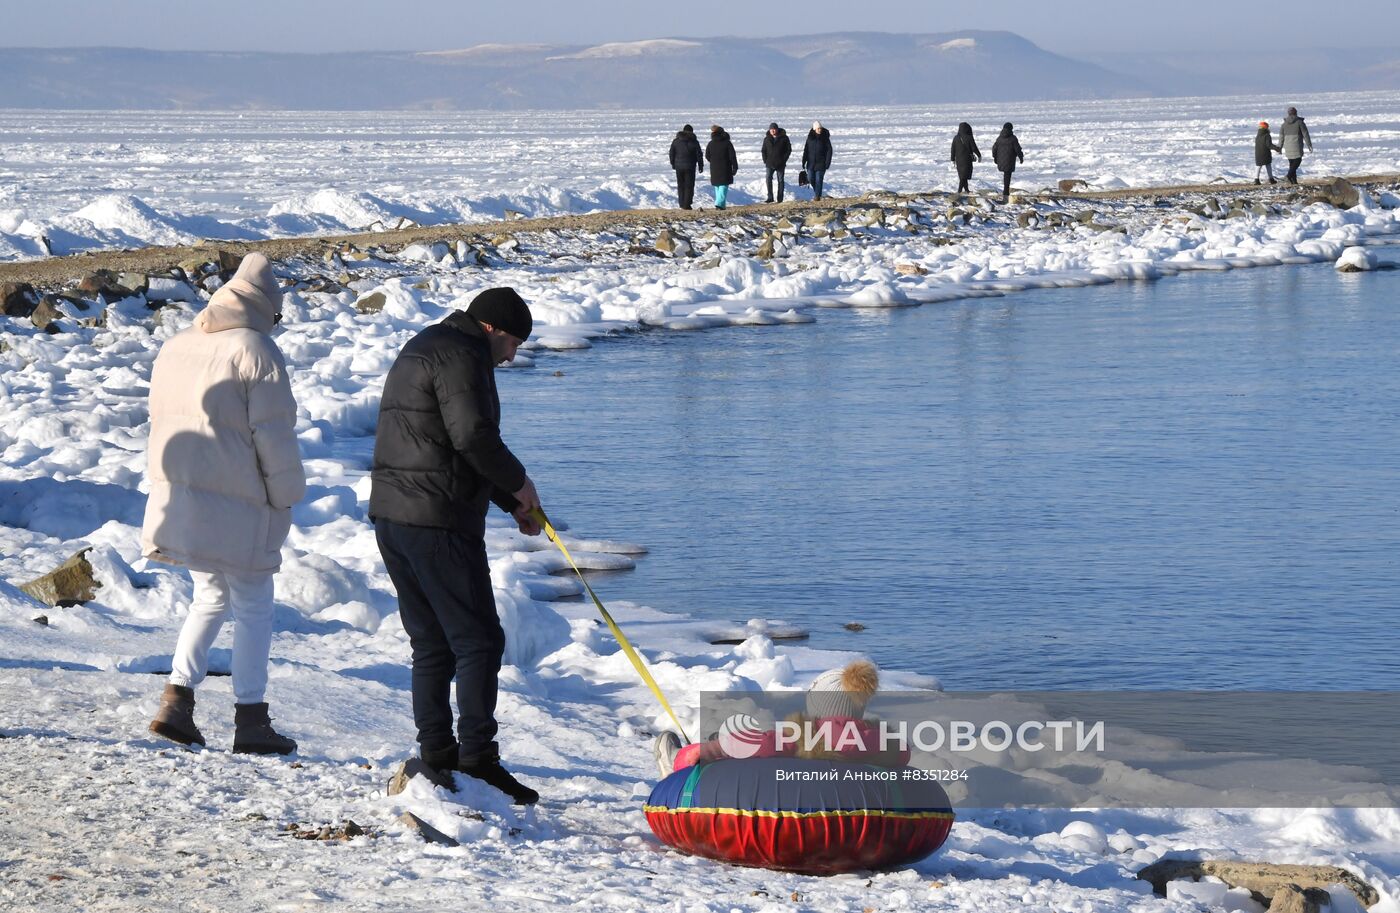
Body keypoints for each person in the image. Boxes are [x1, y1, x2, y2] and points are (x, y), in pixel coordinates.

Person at [370, 287, 543, 805]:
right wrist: (520, 484)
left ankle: (438, 755)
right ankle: (478, 761)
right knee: (478, 641)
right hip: (436, 520)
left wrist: (508, 503)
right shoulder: (464, 356)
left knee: (433, 643)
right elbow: (472, 438)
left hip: (394, 515)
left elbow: (446, 442)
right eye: (512, 342)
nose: (512, 355)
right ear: (491, 329)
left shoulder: (430, 343)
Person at [143, 252, 305, 755]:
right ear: (264, 309)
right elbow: (273, 437)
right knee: (255, 606)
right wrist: (287, 497)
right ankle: (251, 719)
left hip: (183, 496)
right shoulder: (256, 350)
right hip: (241, 504)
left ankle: (176, 700)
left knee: (210, 597)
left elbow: (160, 423)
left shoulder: (177, 344)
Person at [653, 660, 909, 776]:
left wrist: (711, 750)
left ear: (818, 705)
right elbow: (903, 754)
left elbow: (758, 744)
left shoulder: (803, 736)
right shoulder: (882, 744)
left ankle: (675, 761)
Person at [669, 124, 703, 210]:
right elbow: (699, 154)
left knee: (680, 185)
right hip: (690, 166)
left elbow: (671, 153)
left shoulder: (676, 141)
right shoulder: (694, 142)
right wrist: (700, 165)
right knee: (689, 185)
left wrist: (673, 163)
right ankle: (686, 204)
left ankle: (681, 203)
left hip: (678, 167)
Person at [1276, 107, 1313, 185]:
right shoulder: (1300, 122)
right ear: (1296, 113)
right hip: (1297, 145)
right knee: (1297, 161)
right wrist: (1309, 144)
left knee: (1292, 163)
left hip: (1288, 146)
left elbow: (1281, 137)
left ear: (1288, 113)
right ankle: (1288, 176)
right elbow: (1305, 134)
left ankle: (1294, 182)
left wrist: (1279, 147)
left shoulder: (1284, 124)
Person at [705, 124, 739, 210]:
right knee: (723, 186)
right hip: (725, 167)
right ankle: (719, 203)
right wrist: (735, 167)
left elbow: (707, 155)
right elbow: (732, 156)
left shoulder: (711, 143)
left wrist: (713, 161)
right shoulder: (727, 143)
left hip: (714, 168)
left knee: (717, 186)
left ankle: (722, 205)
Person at [990, 122, 1024, 202]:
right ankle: (1006, 195)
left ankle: (1005, 194)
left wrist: (995, 158)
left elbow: (994, 148)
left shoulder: (999, 138)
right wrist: (1021, 157)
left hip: (1001, 161)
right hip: (1009, 160)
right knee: (1007, 177)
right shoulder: (1013, 138)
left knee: (1006, 176)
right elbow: (1018, 149)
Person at [801, 121, 833, 201]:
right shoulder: (810, 138)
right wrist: (803, 161)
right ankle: (818, 193)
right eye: (818, 128)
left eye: (820, 128)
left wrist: (827, 162)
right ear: (814, 129)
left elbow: (829, 150)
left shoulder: (825, 138)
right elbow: (806, 150)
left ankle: (817, 196)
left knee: (819, 179)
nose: (820, 130)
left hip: (821, 163)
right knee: (810, 178)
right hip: (811, 163)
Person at [761, 122, 792, 203]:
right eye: (771, 129)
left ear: (777, 129)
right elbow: (763, 150)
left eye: (774, 129)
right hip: (769, 163)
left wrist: (784, 159)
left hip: (780, 164)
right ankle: (770, 197)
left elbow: (788, 150)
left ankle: (780, 198)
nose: (772, 131)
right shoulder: (767, 139)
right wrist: (765, 160)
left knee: (780, 180)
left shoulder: (784, 138)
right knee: (768, 179)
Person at [951, 122, 981, 196]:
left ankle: (966, 190)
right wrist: (979, 155)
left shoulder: (956, 137)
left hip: (958, 160)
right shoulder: (969, 137)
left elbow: (953, 149)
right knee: (964, 176)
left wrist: (952, 159)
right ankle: (959, 190)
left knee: (963, 175)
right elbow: (974, 147)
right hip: (967, 160)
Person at [1254, 120, 1280, 185]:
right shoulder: (1267, 135)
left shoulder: (1258, 135)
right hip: (1265, 153)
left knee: (1258, 166)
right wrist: (1277, 148)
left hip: (1258, 153)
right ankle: (1271, 179)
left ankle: (1256, 180)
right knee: (1268, 165)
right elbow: (1269, 145)